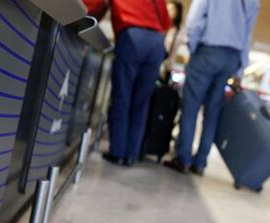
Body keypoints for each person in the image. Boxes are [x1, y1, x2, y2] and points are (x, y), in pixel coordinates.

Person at [164, 0, 260, 175]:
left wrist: (193, 47)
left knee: (191, 107)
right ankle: (200, 163)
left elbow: (195, 19)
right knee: (213, 113)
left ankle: (183, 159)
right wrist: (240, 70)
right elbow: (247, 34)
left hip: (208, 49)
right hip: (231, 56)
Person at [84, 0, 172, 166]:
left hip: (132, 37)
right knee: (141, 103)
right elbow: (166, 21)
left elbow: (94, 5)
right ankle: (132, 154)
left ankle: (117, 152)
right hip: (156, 43)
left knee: (122, 98)